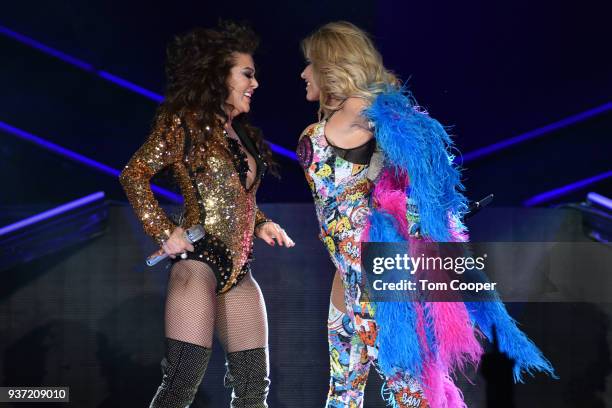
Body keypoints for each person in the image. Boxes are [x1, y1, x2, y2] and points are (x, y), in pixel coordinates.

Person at [297, 21, 554, 408]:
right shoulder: (345, 122)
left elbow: (423, 180)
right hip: (345, 280)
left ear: (332, 66)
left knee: (410, 391)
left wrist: (424, 236)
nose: (303, 73)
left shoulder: (372, 116)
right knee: (344, 393)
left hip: (379, 278)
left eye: (310, 64)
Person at [119, 21, 294, 408]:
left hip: (239, 269)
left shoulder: (241, 132)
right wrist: (163, 230)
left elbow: (234, 196)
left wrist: (262, 222)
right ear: (220, 76)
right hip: (199, 262)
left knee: (253, 392)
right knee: (181, 386)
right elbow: (134, 174)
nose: (255, 83)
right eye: (247, 74)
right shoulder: (185, 124)